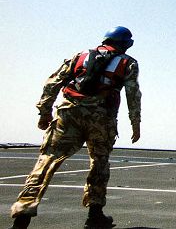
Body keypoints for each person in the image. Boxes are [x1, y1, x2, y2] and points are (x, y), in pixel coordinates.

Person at [9, 27, 142, 229]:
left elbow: (53, 83)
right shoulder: (127, 62)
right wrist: (135, 122)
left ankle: (22, 215)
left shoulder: (80, 56)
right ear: (125, 44)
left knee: (46, 161)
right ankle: (94, 215)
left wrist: (45, 112)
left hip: (68, 114)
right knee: (99, 163)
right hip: (101, 118)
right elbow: (133, 94)